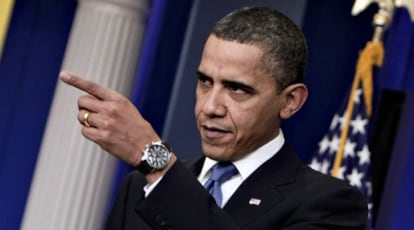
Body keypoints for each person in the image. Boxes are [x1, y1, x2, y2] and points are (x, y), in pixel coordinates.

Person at [60, 6, 368, 230]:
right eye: (205, 81)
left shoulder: (330, 205)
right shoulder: (139, 186)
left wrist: (154, 160)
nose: (210, 106)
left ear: (290, 101)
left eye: (237, 89)